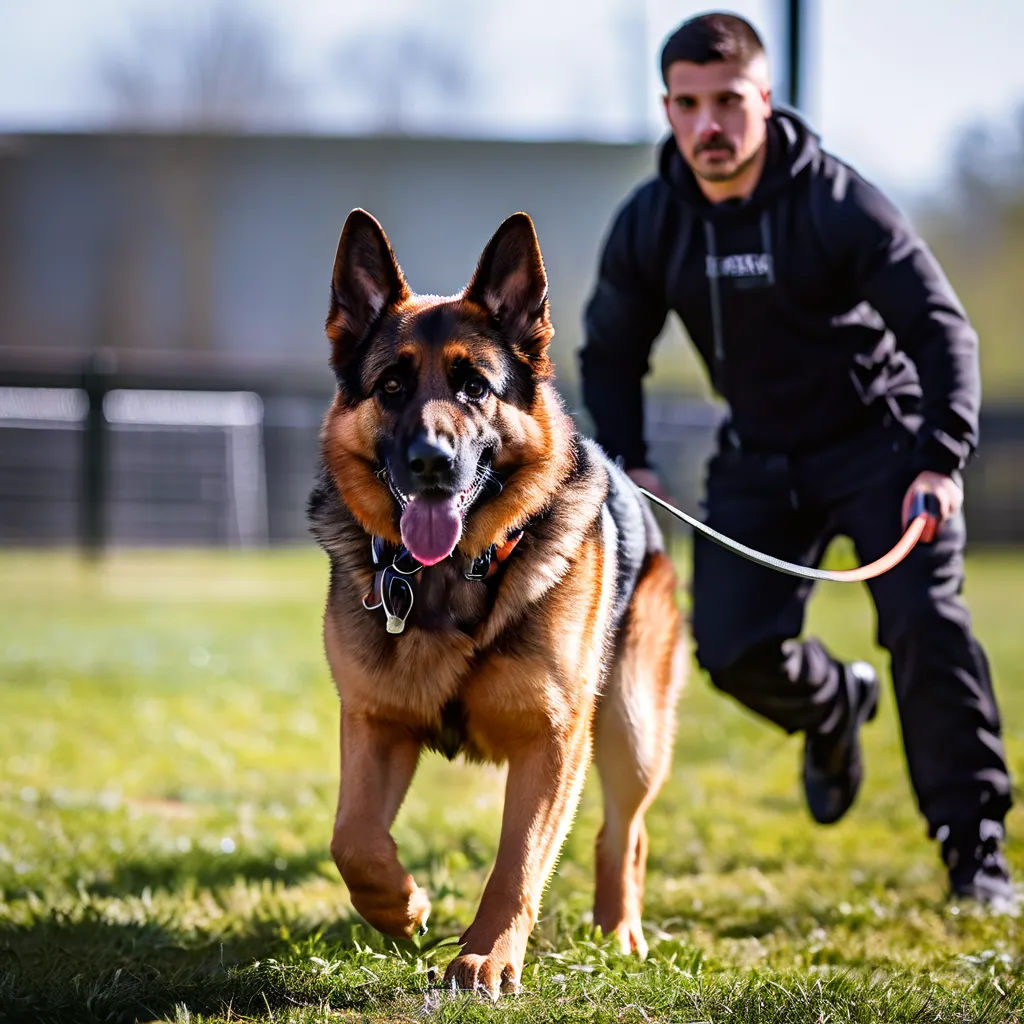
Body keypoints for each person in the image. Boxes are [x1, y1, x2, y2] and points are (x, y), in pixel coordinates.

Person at [579, 11, 1014, 905]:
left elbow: (942, 331)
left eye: (729, 102)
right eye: (688, 104)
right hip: (759, 457)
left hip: (882, 446)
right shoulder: (652, 221)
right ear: (668, 108)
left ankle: (977, 855)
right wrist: (631, 457)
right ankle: (833, 709)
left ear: (765, 101)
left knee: (926, 630)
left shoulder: (838, 203)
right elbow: (609, 351)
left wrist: (940, 457)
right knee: (731, 649)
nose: (709, 126)